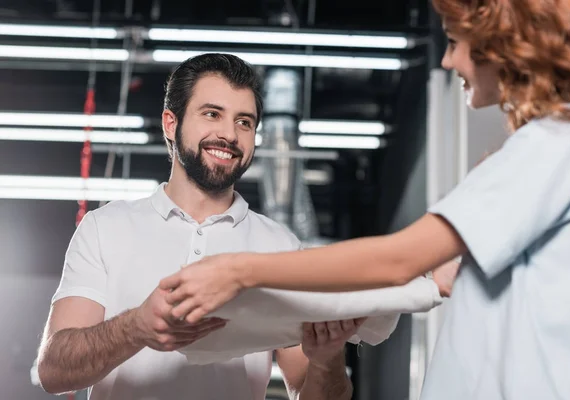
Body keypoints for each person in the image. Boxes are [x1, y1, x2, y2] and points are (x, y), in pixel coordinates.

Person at [157, 1, 570, 399]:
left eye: (453, 41)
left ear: (500, 43)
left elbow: (399, 259)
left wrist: (238, 270)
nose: (447, 59)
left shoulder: (557, 143)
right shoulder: (547, 149)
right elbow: (439, 275)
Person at [37, 53, 376, 400]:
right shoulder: (105, 227)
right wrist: (135, 327)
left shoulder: (279, 246)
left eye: (244, 122)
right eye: (212, 114)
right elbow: (53, 371)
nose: (229, 134)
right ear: (171, 123)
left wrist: (328, 358)